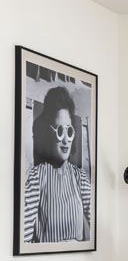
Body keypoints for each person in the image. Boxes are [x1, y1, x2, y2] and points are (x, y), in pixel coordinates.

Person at [22, 86, 91, 243]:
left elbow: (99, 226)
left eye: (69, 131)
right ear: (49, 133)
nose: (66, 140)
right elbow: (22, 238)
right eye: (60, 131)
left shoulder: (80, 177)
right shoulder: (36, 177)